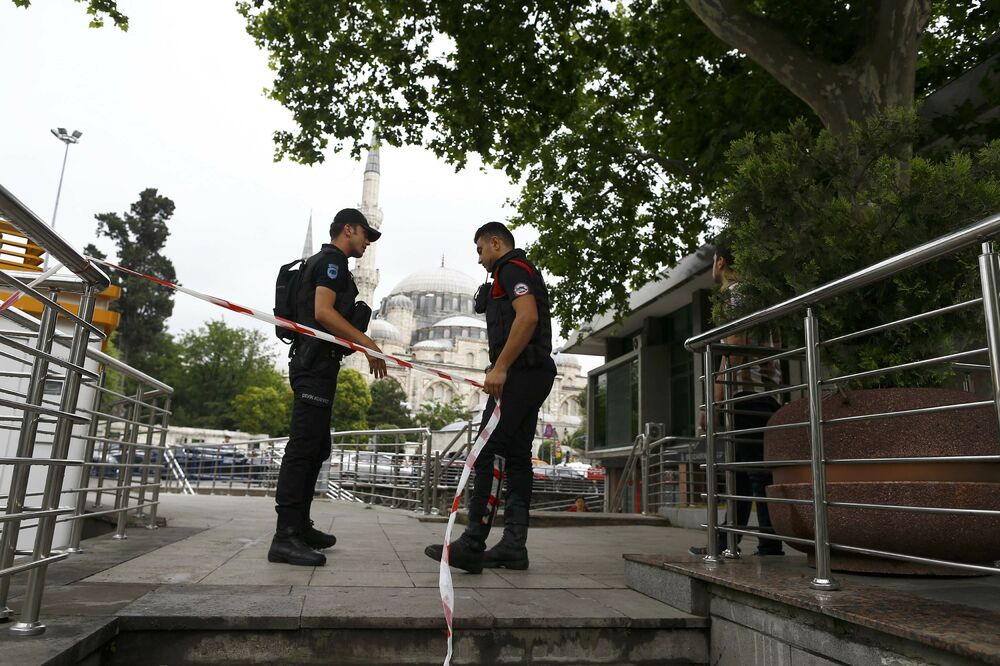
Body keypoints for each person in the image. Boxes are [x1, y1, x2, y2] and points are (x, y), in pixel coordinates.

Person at [425, 221, 556, 573]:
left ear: (496, 243)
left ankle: (473, 542)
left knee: (485, 450)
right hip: (533, 372)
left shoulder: (512, 268)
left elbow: (526, 318)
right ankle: (514, 546)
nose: (480, 260)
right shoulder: (515, 270)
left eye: (481, 251)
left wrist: (500, 367)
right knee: (516, 458)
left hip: (522, 374)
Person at [268, 208, 388, 566]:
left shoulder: (331, 263)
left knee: (317, 447)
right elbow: (323, 312)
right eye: (365, 234)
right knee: (303, 448)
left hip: (320, 364)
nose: (368, 242)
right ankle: (285, 536)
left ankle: (300, 526)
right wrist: (368, 343)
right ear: (347, 229)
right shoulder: (331, 263)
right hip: (313, 364)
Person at [690, 236, 784, 558]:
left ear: (720, 262)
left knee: (754, 473)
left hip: (747, 395)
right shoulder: (757, 295)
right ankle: (728, 542)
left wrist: (713, 401)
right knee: (746, 472)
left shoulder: (736, 293)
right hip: (765, 394)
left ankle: (767, 546)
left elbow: (733, 347)